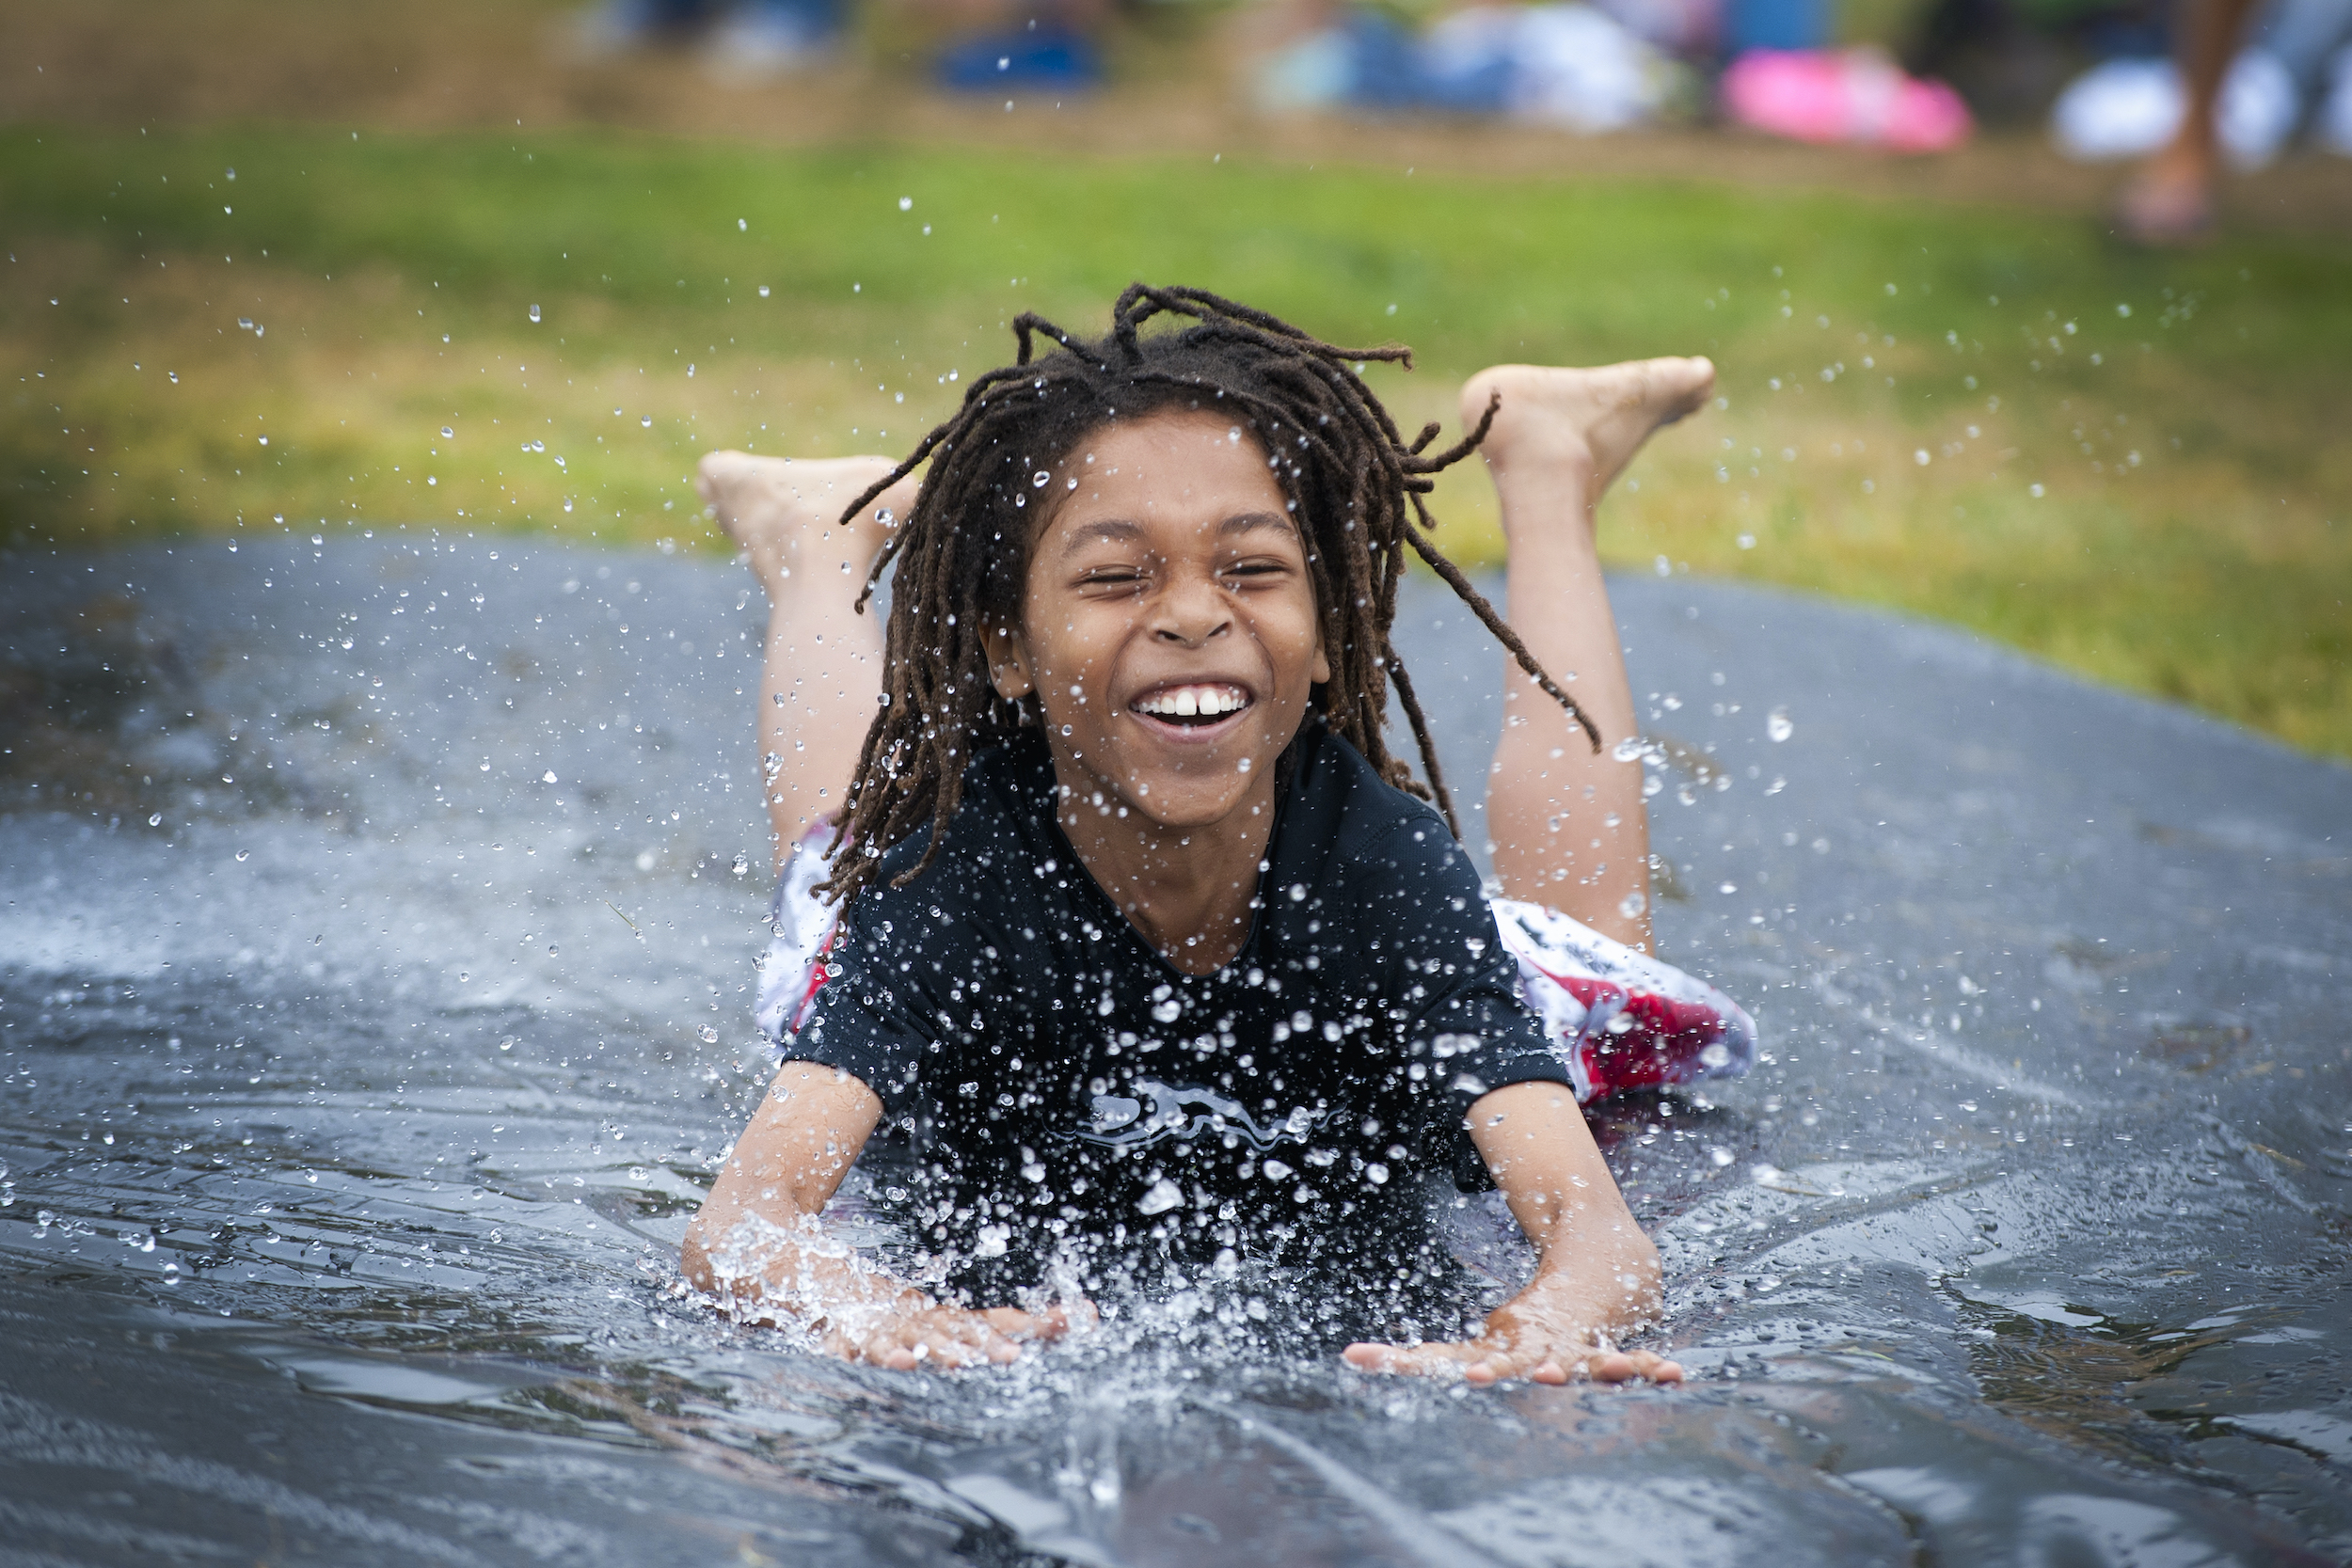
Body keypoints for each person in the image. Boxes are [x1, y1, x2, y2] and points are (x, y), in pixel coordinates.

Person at [678, 286, 1756, 1385]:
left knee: (1587, 958)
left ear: (1328, 628)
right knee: (838, 857)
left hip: (1378, 964)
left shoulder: (1381, 867)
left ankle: (1546, 461)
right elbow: (742, 1223)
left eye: (1250, 568)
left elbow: (1599, 1235)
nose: (1194, 613)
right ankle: (820, 540)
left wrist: (1552, 1317)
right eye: (1113, 575)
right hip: (939, 900)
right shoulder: (950, 880)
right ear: (1008, 644)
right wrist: (865, 1303)